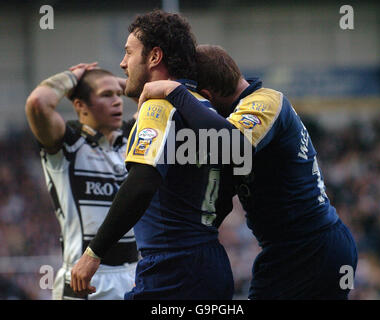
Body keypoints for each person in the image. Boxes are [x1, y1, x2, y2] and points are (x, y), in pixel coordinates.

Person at [136, 44, 359, 300]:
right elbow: (220, 198)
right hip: (291, 250)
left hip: (311, 248)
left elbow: (233, 145)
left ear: (206, 96)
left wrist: (176, 93)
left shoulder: (266, 101)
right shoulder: (236, 117)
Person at [70, 10, 234, 300]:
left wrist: (93, 253)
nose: (122, 63)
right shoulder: (202, 107)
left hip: (172, 269)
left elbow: (142, 182)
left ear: (154, 57)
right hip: (211, 263)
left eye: (128, 53)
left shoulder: (158, 106)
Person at [25, 64, 139, 300]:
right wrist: (73, 77)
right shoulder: (68, 144)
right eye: (106, 95)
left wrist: (111, 82)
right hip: (85, 280)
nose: (117, 101)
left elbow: (158, 98)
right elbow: (38, 103)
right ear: (80, 105)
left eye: (118, 94)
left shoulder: (131, 139)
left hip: (134, 277)